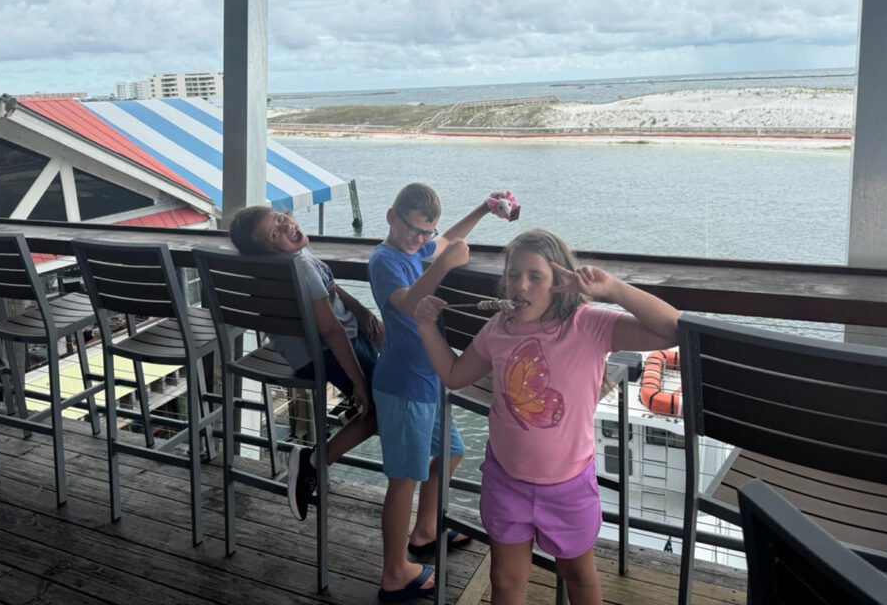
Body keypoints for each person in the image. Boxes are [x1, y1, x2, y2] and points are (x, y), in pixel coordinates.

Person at [415, 229, 680, 605]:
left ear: (559, 282)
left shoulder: (587, 324)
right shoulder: (498, 327)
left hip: (568, 488)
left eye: (535, 276)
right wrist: (426, 327)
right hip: (506, 481)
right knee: (505, 580)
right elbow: (455, 375)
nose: (520, 285)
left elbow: (672, 330)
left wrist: (613, 289)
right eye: (513, 275)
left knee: (579, 576)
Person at [369, 183, 512, 603]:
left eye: (425, 233)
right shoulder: (384, 260)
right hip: (403, 385)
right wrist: (444, 265)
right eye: (414, 229)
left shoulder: (416, 249)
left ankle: (426, 529)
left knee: (451, 452)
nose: (420, 239)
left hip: (426, 380)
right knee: (404, 480)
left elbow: (448, 239)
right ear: (392, 217)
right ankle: (394, 572)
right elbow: (408, 303)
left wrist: (482, 210)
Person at [228, 205, 383, 522]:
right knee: (383, 409)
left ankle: (353, 411)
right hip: (325, 352)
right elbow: (331, 331)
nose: (286, 226)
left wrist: (359, 309)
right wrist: (358, 383)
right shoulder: (299, 265)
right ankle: (313, 461)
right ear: (269, 248)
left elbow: (327, 288)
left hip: (312, 348)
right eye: (275, 232)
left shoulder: (292, 258)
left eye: (280, 219)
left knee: (387, 342)